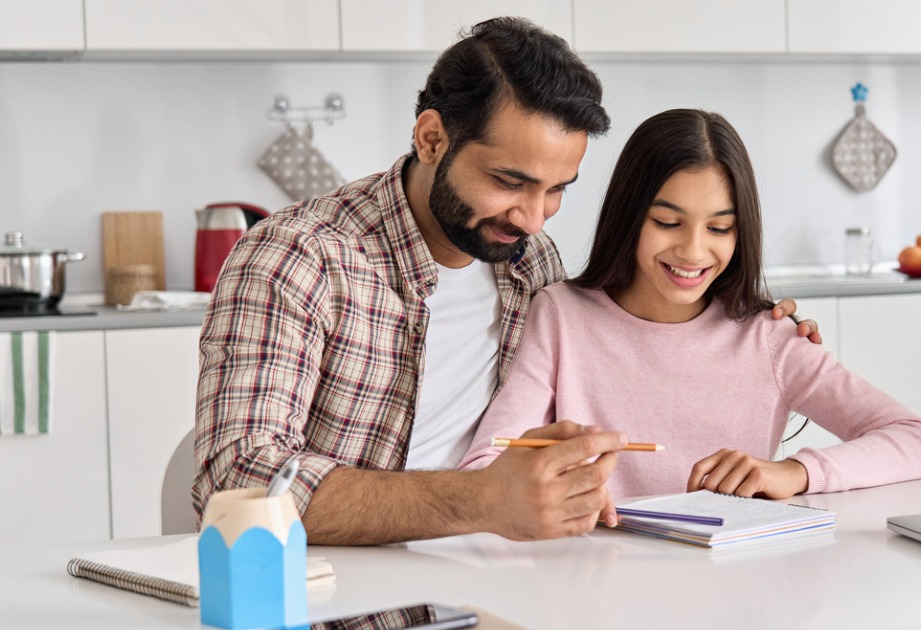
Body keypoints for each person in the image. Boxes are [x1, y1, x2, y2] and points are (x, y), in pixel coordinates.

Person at [193, 18, 817, 545]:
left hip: (497, 579)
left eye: (556, 190)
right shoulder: (297, 259)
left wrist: (744, 321)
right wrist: (479, 500)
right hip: (343, 599)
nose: (532, 216)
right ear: (432, 137)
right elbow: (240, 485)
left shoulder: (529, 262)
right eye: (510, 182)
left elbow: (619, 347)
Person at [460, 109, 921, 500]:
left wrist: (795, 472)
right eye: (668, 223)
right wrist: (554, 487)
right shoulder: (561, 315)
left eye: (719, 228)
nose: (693, 252)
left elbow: (918, 441)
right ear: (630, 217)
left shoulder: (770, 336)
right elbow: (486, 465)